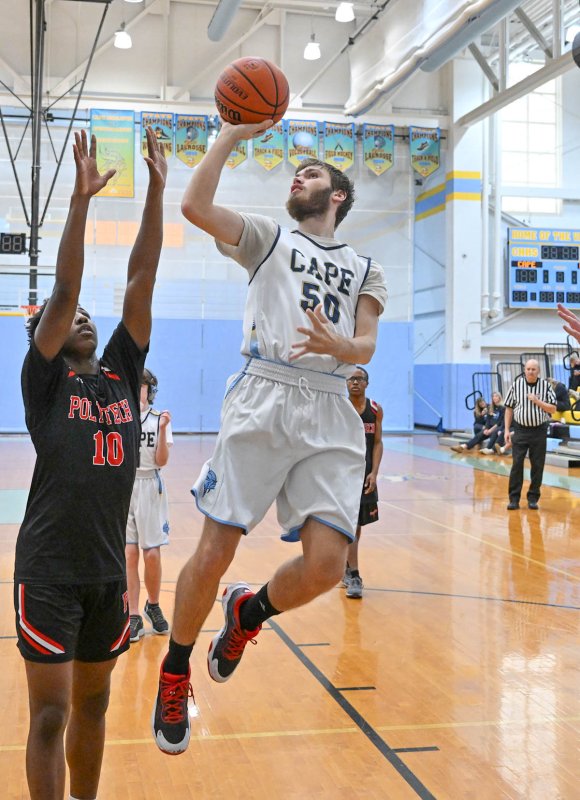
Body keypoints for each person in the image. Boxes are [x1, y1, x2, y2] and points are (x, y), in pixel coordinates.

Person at [151, 119, 387, 756]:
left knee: (327, 567)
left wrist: (346, 347)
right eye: (296, 173)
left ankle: (247, 614)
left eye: (310, 173)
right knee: (215, 549)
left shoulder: (366, 266)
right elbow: (195, 206)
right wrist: (229, 134)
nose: (298, 178)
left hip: (332, 405)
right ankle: (175, 670)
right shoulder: (269, 237)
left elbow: (366, 341)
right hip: (265, 392)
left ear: (337, 195)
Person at [14, 127, 166, 800]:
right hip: (48, 570)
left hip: (107, 572)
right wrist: (80, 202)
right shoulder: (45, 381)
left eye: (82, 315)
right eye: (61, 314)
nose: (79, 316)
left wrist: (159, 189)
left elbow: (141, 275)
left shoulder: (119, 373)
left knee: (96, 708)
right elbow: (68, 281)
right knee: (49, 713)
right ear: (44, 329)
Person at [126, 368, 173, 643]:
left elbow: (163, 461)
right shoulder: (120, 417)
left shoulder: (158, 420)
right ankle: (133, 614)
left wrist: (165, 429)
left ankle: (152, 605)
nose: (137, 391)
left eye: (141, 387)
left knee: (151, 554)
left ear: (149, 391)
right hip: (126, 486)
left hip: (150, 486)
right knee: (129, 554)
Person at [342, 366, 383, 598]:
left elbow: (377, 443)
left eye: (359, 379)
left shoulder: (375, 410)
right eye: (351, 379)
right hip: (343, 475)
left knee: (356, 525)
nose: (355, 382)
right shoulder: (340, 408)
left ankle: (348, 569)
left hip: (365, 475)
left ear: (367, 383)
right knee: (348, 524)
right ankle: (353, 573)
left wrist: (375, 472)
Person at [503, 359, 556, 510]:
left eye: (534, 369)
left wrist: (537, 401)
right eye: (528, 369)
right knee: (517, 464)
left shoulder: (545, 386)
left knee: (537, 466)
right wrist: (507, 430)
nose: (531, 371)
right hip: (520, 430)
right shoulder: (516, 385)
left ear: (538, 371)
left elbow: (552, 409)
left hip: (539, 431)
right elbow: (508, 408)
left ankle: (533, 498)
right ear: (524, 370)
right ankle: (514, 499)